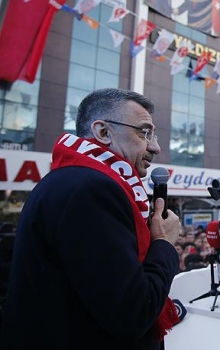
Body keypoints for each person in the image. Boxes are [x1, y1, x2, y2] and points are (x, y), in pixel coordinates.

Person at [0, 89, 182, 349]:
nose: (155, 147)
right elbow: (132, 313)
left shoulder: (77, 180)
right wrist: (163, 242)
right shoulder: (91, 190)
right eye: (144, 132)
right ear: (103, 132)